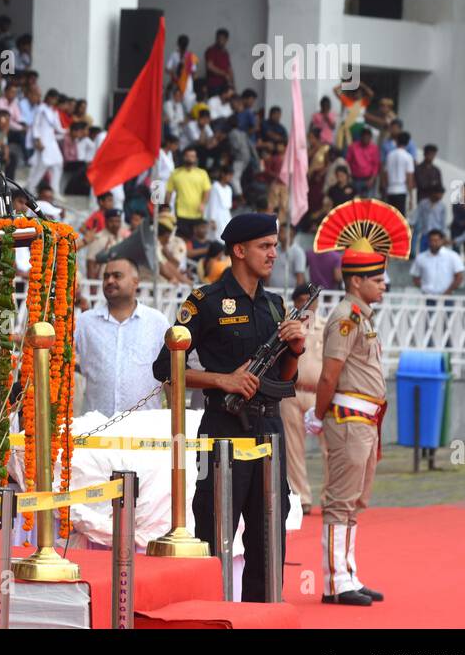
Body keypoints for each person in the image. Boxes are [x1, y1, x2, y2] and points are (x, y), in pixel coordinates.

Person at [152, 213, 306, 602]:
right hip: (222, 431)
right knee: (215, 529)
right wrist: (222, 380)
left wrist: (296, 349)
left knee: (269, 532)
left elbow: (284, 378)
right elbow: (165, 369)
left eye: (274, 245)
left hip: (270, 432)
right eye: (264, 247)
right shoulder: (205, 302)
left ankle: (265, 615)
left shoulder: (274, 305)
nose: (274, 254)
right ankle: (209, 612)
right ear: (239, 251)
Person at [314, 239, 396, 606]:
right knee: (340, 502)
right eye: (377, 278)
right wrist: (318, 414)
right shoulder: (346, 318)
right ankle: (335, 582)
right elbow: (329, 375)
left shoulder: (361, 316)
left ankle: (347, 573)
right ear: (356, 281)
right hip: (348, 418)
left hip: (364, 420)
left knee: (355, 501)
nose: (383, 284)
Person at [74, 256, 170, 416]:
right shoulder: (85, 322)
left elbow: (169, 374)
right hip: (96, 428)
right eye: (106, 277)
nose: (110, 280)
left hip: (144, 430)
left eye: (117, 276)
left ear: (135, 282)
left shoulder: (157, 321)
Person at [282, 283, 325, 513]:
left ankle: (331, 496)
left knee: (331, 447)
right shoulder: (287, 327)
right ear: (296, 302)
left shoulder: (327, 327)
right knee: (293, 448)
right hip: (292, 391)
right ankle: (301, 498)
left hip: (320, 392)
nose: (308, 304)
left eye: (312, 299)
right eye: (302, 300)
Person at [25, 88, 65, 194]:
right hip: (42, 142)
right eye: (54, 99)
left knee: (58, 163)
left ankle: (54, 190)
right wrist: (37, 140)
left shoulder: (53, 111)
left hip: (51, 142)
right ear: (49, 97)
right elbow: (35, 125)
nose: (55, 101)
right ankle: (31, 189)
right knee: (41, 167)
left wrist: (67, 132)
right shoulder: (41, 109)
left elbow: (58, 128)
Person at [165, 147, 211, 238]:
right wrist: (166, 207)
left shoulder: (202, 173)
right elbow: (169, 192)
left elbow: (207, 191)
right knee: (182, 239)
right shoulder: (175, 173)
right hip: (181, 214)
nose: (190, 158)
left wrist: (203, 203)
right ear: (184, 157)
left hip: (197, 214)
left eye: (192, 156)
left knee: (196, 240)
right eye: (188, 156)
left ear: (196, 158)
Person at [411, 230, 464, 299]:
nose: (433, 243)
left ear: (442, 241)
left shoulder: (452, 256)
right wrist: (424, 290)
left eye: (436, 240)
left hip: (447, 297)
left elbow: (459, 276)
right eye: (431, 240)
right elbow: (415, 277)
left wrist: (449, 291)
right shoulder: (421, 257)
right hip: (427, 297)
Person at [383, 131, 415, 215]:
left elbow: (385, 174)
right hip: (401, 190)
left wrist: (385, 189)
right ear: (408, 143)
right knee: (400, 218)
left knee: (389, 217)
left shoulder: (390, 155)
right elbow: (409, 177)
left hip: (390, 189)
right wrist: (411, 197)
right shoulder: (408, 157)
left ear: (397, 141)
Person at [271, 222, 307, 292]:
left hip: (289, 293)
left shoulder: (298, 252)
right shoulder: (275, 249)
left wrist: (296, 295)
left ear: (291, 234)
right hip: (272, 291)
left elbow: (300, 276)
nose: (278, 234)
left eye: (281, 231)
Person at [346, 128, 380, 198]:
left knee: (366, 202)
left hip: (368, 180)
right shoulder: (353, 147)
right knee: (353, 201)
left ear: (371, 138)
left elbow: (376, 165)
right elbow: (347, 162)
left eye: (368, 138)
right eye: (364, 137)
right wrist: (348, 177)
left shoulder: (374, 148)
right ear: (361, 137)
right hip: (354, 179)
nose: (366, 139)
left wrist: (372, 179)